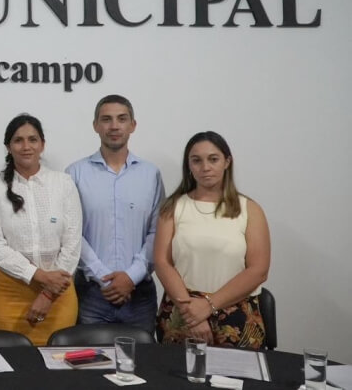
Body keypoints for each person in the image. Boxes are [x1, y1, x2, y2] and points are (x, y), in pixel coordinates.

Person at [153, 131, 270, 348]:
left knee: (234, 381)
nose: (205, 167)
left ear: (227, 162)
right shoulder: (173, 207)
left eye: (213, 159)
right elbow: (162, 262)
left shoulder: (250, 210)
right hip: (182, 312)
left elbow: (258, 270)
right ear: (189, 166)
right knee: (177, 379)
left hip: (236, 313)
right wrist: (191, 312)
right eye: (196, 160)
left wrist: (207, 306)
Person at [0, 114, 82, 346]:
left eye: (33, 140)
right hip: (8, 291)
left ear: (42, 144)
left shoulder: (63, 183)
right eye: (18, 140)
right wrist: (39, 276)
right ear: (8, 146)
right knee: (12, 368)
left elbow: (73, 243)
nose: (26, 147)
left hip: (59, 291)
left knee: (58, 367)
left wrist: (48, 292)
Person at [66, 95, 165, 334]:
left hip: (140, 295)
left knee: (143, 365)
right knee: (89, 367)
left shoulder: (151, 174)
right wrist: (103, 277)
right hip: (91, 294)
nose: (114, 126)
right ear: (95, 125)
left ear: (133, 125)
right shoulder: (75, 173)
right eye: (106, 119)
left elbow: (157, 231)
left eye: (122, 119)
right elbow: (71, 233)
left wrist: (131, 277)